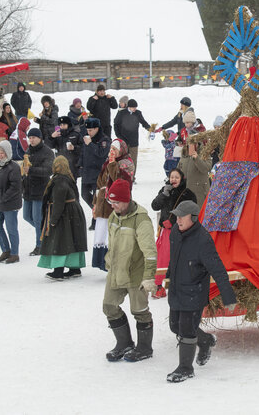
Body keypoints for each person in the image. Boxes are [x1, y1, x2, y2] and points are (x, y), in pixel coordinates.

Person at [166, 200, 237, 383]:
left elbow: (218, 269)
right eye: (177, 215)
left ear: (194, 218)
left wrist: (228, 296)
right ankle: (205, 341)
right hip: (176, 288)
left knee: (187, 330)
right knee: (175, 326)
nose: (178, 219)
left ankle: (185, 368)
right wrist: (167, 276)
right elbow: (174, 257)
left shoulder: (202, 239)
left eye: (182, 216)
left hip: (194, 291)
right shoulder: (175, 232)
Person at [102, 178, 158, 363]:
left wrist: (149, 277)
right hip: (116, 271)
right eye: (111, 202)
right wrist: (109, 261)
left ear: (127, 200)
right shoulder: (113, 217)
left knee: (139, 310)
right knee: (109, 306)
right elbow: (112, 243)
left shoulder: (141, 220)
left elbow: (149, 252)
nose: (114, 206)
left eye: (117, 202)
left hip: (136, 274)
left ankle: (144, 347)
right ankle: (124, 343)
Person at [38, 156, 88, 281]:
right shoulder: (68, 178)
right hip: (74, 213)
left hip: (65, 214)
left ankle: (58, 271)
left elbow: (59, 202)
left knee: (60, 241)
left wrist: (53, 220)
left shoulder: (59, 180)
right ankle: (74, 268)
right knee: (72, 241)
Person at [151, 168, 197, 298]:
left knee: (182, 258)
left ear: (181, 178)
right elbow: (154, 206)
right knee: (163, 258)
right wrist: (163, 195)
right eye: (172, 177)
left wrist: (176, 221)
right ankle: (159, 286)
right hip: (166, 232)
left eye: (176, 177)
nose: (174, 180)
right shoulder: (165, 190)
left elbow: (192, 211)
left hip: (183, 232)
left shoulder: (187, 193)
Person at [92, 139, 135, 271]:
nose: (112, 152)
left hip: (117, 202)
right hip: (103, 202)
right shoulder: (108, 163)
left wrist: (112, 165)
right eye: (111, 149)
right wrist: (95, 203)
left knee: (114, 232)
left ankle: (114, 263)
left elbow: (119, 180)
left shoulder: (126, 163)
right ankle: (102, 262)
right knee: (101, 232)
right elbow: (100, 183)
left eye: (114, 150)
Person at [0, 140, 22, 264]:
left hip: (10, 203)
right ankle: (5, 249)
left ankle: (14, 253)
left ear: (7, 153)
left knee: (11, 228)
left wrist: (3, 197)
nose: (0, 155)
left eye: (2, 153)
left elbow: (15, 187)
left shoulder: (14, 167)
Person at [22, 128, 55, 256]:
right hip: (28, 190)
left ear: (40, 138)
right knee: (27, 216)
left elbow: (48, 170)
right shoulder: (28, 151)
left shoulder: (47, 152)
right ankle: (45, 234)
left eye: (34, 137)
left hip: (41, 190)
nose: (31, 140)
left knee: (37, 218)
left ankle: (40, 245)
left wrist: (31, 170)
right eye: (29, 138)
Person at [80, 117, 110, 231]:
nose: (89, 132)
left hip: (98, 172)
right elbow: (83, 153)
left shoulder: (104, 140)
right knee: (84, 194)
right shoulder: (87, 138)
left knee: (96, 197)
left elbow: (101, 154)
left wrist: (90, 144)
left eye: (91, 130)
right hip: (87, 171)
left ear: (97, 129)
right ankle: (97, 211)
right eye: (88, 130)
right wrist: (80, 165)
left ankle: (96, 219)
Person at [114, 98, 150, 174]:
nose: (135, 109)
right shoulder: (122, 113)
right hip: (123, 140)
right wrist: (119, 136)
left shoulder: (138, 113)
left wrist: (149, 128)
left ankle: (132, 177)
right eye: (133, 107)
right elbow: (116, 124)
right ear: (129, 107)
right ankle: (122, 175)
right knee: (123, 159)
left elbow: (143, 122)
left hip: (134, 140)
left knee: (133, 160)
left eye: (135, 107)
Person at [177, 138, 212, 206]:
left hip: (200, 193)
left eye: (194, 143)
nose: (191, 146)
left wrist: (197, 159)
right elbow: (178, 170)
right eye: (189, 143)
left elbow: (206, 169)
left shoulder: (204, 153)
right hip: (185, 192)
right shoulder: (184, 154)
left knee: (199, 214)